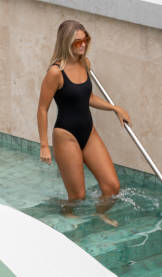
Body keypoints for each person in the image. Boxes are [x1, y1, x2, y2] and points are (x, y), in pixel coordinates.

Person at [37, 19, 131, 225]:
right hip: (66, 135)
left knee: (112, 187)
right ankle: (68, 221)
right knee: (77, 197)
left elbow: (87, 97)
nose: (83, 45)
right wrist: (44, 145)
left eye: (85, 39)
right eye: (78, 42)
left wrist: (115, 108)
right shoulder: (55, 73)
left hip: (88, 132)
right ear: (66, 43)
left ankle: (100, 214)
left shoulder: (84, 64)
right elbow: (42, 109)